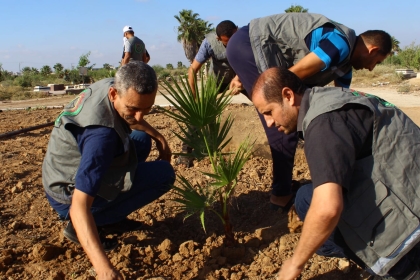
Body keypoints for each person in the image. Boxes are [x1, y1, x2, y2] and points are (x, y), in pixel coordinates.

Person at [252, 67, 420, 280]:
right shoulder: (327, 99)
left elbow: (327, 209)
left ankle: (397, 266)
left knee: (318, 211)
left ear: (288, 96)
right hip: (404, 182)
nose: (269, 122)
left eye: (269, 112)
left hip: (413, 225)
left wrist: (294, 264)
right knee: (305, 199)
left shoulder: (322, 123)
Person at [226, 12, 392, 212]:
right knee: (283, 121)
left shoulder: (345, 67)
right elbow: (290, 77)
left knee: (291, 115)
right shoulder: (339, 43)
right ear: (372, 50)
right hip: (247, 44)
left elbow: (339, 104)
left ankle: (283, 186)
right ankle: (281, 196)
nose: (373, 69)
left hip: (248, 48)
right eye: (377, 62)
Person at [42, 61, 175, 279]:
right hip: (67, 194)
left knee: (141, 138)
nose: (140, 116)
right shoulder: (100, 138)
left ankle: (110, 214)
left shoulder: (110, 85)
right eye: (133, 109)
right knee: (163, 175)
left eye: (146, 108)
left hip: (61, 167)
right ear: (114, 94)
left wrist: (159, 137)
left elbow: (134, 118)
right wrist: (105, 270)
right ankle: (90, 224)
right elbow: (79, 207)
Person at [176, 20, 243, 167]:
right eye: (225, 43)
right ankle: (186, 152)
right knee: (202, 114)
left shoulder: (245, 36)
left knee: (264, 102)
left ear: (236, 31)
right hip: (217, 81)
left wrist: (240, 81)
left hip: (241, 77)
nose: (229, 45)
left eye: (231, 41)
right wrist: (194, 100)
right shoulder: (209, 42)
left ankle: (287, 139)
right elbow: (193, 70)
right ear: (219, 39)